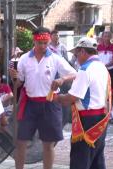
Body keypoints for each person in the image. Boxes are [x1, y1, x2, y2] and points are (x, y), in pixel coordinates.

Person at [9, 27, 76, 169]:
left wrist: (62, 79)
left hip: (50, 103)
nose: (43, 46)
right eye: (40, 43)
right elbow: (19, 82)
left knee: (48, 143)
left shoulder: (55, 58)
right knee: (20, 142)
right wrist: (13, 77)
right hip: (29, 104)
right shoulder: (24, 59)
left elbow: (74, 74)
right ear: (34, 41)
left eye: (46, 43)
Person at [53, 37, 111, 169]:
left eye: (76, 54)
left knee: (80, 159)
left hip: (86, 120)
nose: (76, 57)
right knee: (97, 159)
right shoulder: (102, 67)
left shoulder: (85, 69)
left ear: (83, 52)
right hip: (101, 118)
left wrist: (57, 98)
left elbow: (72, 97)